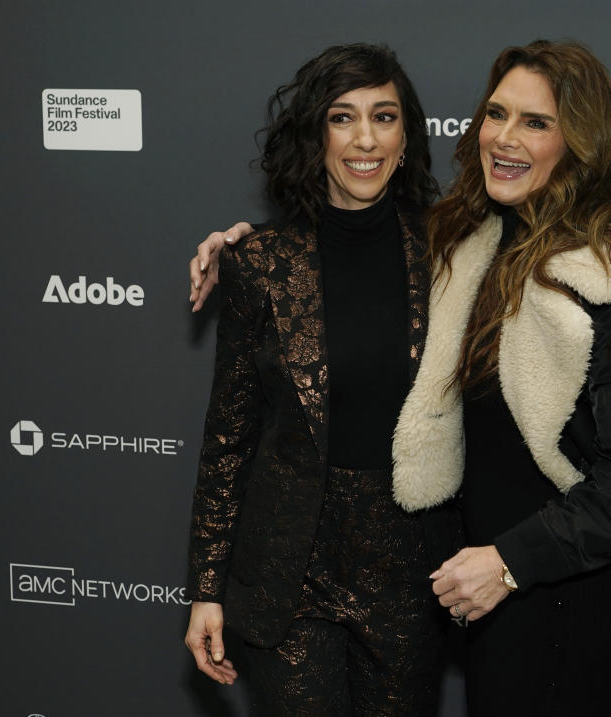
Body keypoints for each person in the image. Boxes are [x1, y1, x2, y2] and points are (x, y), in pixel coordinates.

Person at [192, 40, 611, 717]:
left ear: (581, 142)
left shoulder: (598, 274)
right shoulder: (474, 243)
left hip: (545, 589)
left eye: (536, 122)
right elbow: (234, 432)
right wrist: (243, 247)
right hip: (465, 589)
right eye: (497, 114)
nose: (506, 137)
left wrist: (510, 560)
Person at [183, 43, 458, 717]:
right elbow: (229, 439)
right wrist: (206, 587)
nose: (365, 138)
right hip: (289, 567)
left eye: (384, 116)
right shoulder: (259, 264)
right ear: (317, 133)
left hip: (409, 566)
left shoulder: (452, 249)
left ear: (405, 134)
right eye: (343, 117)